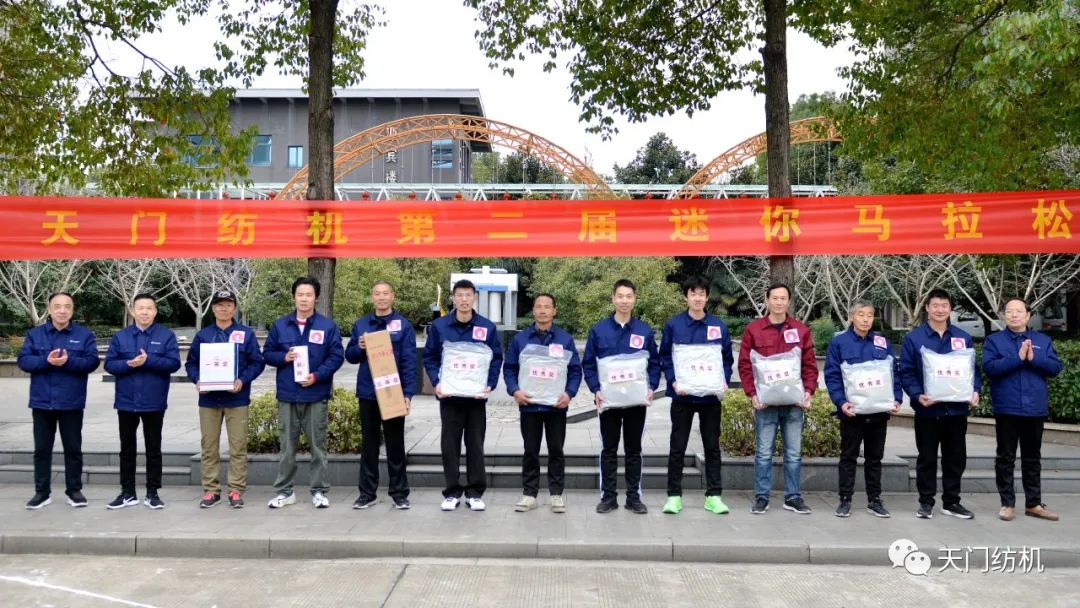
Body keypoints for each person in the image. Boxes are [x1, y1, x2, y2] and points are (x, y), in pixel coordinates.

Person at [262, 276, 344, 509]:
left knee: (318, 446)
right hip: (288, 395)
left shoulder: (327, 326)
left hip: (315, 395)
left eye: (309, 295)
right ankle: (285, 492)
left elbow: (336, 356)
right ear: (294, 297)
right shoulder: (280, 325)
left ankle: (319, 491)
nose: (304, 299)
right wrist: (283, 357)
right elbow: (267, 353)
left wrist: (317, 376)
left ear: (316, 298)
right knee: (287, 447)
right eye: (300, 295)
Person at [899, 288, 980, 520]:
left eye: (944, 305)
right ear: (927, 308)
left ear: (950, 308)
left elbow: (972, 370)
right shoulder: (914, 338)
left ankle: (952, 502)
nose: (940, 310)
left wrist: (975, 390)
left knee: (955, 458)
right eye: (935, 305)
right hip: (928, 410)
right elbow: (906, 372)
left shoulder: (962, 338)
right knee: (927, 458)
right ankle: (926, 502)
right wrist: (917, 395)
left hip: (956, 410)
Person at [423, 279, 503, 512]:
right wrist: (437, 382)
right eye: (460, 295)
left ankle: (475, 492)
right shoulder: (440, 326)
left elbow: (496, 358)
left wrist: (489, 384)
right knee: (450, 445)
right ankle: (452, 492)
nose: (464, 300)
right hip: (449, 397)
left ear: (474, 297)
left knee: (475, 445)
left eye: (468, 295)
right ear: (453, 298)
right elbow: (430, 357)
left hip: (476, 398)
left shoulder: (487, 327)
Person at [582, 279, 660, 515]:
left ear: (634, 299)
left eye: (629, 296)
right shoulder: (599, 330)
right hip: (609, 402)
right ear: (613, 299)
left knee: (634, 450)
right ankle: (608, 497)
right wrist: (595, 389)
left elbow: (654, 364)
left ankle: (633, 498)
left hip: (636, 401)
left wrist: (652, 387)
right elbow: (589, 363)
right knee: (609, 449)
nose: (624, 300)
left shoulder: (644, 331)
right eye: (620, 296)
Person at [738, 283, 816, 515]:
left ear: (789, 302)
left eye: (783, 298)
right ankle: (762, 497)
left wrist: (808, 391)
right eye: (775, 298)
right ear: (767, 300)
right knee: (763, 453)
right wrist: (752, 393)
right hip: (766, 403)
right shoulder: (754, 329)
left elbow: (809, 365)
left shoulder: (801, 330)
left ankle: (792, 497)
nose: (779, 302)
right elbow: (745, 365)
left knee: (793, 453)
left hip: (794, 403)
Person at [983, 298, 1063, 522]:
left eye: (1019, 311)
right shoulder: (994, 341)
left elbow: (1055, 367)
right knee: (1005, 457)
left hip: (1034, 409)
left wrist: (1034, 359)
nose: (1014, 315)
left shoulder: (1042, 340)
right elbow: (989, 368)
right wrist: (1017, 358)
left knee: (1032, 458)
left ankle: (1034, 504)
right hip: (1007, 408)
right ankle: (1007, 504)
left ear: (1028, 316)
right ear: (1004, 316)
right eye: (1009, 311)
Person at [18, 292, 100, 509]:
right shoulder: (35, 334)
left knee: (73, 449)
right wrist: (46, 360)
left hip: (71, 402)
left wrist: (68, 361)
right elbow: (24, 361)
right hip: (42, 402)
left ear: (72, 310)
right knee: (41, 450)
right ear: (49, 309)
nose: (62, 310)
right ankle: (42, 493)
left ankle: (74, 491)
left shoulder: (84, 335)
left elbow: (92, 362)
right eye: (57, 306)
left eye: (67, 306)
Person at [659, 276, 733, 515]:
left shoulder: (718, 326)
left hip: (710, 398)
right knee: (677, 446)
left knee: (712, 446)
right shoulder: (674, 325)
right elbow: (665, 356)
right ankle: (673, 496)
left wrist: (723, 380)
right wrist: (673, 380)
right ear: (686, 297)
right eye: (693, 294)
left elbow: (726, 359)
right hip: (683, 397)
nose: (698, 298)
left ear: (707, 297)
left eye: (702, 294)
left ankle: (714, 496)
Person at [185, 290, 266, 509]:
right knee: (209, 447)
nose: (224, 308)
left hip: (237, 399)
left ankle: (236, 489)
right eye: (219, 305)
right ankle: (211, 490)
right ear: (213, 309)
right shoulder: (203, 335)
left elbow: (257, 362)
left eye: (228, 304)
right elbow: (191, 363)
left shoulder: (245, 334)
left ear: (234, 308)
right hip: (209, 400)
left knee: (238, 447)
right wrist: (198, 380)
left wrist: (242, 380)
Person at [503, 293, 581, 513]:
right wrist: (515, 390)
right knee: (530, 451)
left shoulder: (564, 339)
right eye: (539, 306)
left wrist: (569, 393)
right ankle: (529, 494)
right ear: (533, 311)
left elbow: (575, 370)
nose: (543, 311)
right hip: (530, 405)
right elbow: (510, 368)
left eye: (547, 307)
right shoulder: (520, 339)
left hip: (556, 405)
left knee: (556, 450)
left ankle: (556, 494)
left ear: (554, 311)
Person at [823, 300, 902, 519]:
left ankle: (874, 500)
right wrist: (841, 402)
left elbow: (894, 372)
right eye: (861, 314)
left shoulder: (881, 342)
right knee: (848, 456)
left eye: (869, 315)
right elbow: (832, 375)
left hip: (878, 411)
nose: (866, 319)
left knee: (875, 458)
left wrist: (896, 399)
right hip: (852, 412)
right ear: (851, 317)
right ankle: (845, 499)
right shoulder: (839, 343)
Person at [103, 294, 181, 510]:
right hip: (126, 402)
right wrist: (129, 364)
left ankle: (152, 493)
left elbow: (174, 364)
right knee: (126, 449)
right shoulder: (121, 336)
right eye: (140, 308)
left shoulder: (166, 335)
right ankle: (127, 492)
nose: (145, 312)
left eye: (149, 308)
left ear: (155, 311)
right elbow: (109, 364)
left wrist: (149, 361)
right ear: (133, 311)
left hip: (154, 401)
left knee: (153, 448)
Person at [345, 281, 417, 510]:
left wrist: (408, 394)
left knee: (396, 444)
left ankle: (399, 493)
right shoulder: (361, 324)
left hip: (393, 392)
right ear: (372, 297)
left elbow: (409, 362)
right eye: (377, 293)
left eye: (386, 293)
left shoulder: (403, 326)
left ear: (392, 296)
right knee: (369, 444)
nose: (382, 297)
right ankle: (367, 493)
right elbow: (350, 356)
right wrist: (359, 347)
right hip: (368, 392)